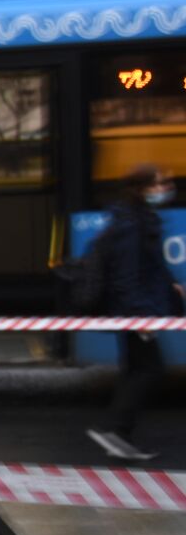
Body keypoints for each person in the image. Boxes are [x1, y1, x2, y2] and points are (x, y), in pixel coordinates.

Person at [87, 164, 184, 461]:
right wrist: (140, 316)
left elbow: (146, 268)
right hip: (134, 312)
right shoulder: (132, 224)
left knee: (137, 368)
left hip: (134, 310)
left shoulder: (137, 219)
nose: (165, 188)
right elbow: (126, 276)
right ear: (142, 189)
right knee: (149, 369)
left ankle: (117, 433)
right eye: (159, 184)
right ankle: (115, 429)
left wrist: (171, 287)